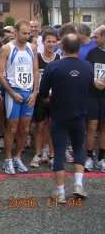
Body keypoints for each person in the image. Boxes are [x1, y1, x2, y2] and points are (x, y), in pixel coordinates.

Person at [40, 34, 92, 202]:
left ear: (61, 47)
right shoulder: (87, 67)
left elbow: (43, 91)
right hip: (79, 113)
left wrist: (48, 97)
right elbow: (89, 89)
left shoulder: (54, 66)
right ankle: (78, 184)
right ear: (79, 48)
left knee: (60, 152)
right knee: (78, 148)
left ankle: (61, 191)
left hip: (59, 114)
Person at [0, 19, 39, 175]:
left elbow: (35, 72)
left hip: (28, 93)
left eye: (29, 33)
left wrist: (35, 92)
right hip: (13, 92)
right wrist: (11, 93)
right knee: (12, 128)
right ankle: (8, 159)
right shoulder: (7, 49)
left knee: (25, 128)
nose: (27, 36)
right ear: (15, 32)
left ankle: (18, 157)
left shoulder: (32, 48)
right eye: (24, 33)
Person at [30, 30, 60, 169]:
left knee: (53, 127)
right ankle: (38, 153)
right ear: (43, 42)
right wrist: (41, 94)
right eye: (48, 41)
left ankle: (53, 155)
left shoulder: (59, 58)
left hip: (55, 98)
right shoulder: (37, 57)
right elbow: (35, 77)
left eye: (54, 42)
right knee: (39, 127)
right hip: (41, 97)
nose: (51, 44)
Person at [84, 26, 105, 172]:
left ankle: (102, 158)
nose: (94, 40)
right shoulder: (92, 53)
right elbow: (87, 71)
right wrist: (94, 82)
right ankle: (90, 157)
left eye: (96, 37)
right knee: (91, 126)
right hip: (92, 95)